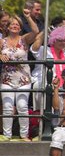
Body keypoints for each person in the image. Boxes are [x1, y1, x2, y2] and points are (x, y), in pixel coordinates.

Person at [0, 11, 38, 141]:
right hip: (7, 79)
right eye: (12, 24)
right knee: (7, 107)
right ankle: (7, 135)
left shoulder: (24, 39)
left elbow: (35, 31)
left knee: (22, 106)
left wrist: (28, 17)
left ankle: (24, 135)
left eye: (17, 24)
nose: (15, 26)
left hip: (23, 78)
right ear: (8, 27)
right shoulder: (2, 41)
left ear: (20, 27)